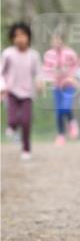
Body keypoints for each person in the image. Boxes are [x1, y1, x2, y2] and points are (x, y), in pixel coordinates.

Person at [1, 22, 42, 160]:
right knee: (12, 119)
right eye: (16, 35)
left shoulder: (33, 55)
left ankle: (26, 149)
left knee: (26, 121)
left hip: (27, 93)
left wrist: (39, 82)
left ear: (28, 37)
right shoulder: (8, 54)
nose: (20, 38)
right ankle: (11, 126)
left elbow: (38, 72)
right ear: (12, 38)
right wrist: (2, 87)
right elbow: (1, 72)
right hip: (11, 91)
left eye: (23, 35)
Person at [42, 32, 79, 145]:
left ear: (62, 41)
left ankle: (72, 122)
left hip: (68, 85)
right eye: (53, 40)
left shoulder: (70, 53)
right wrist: (47, 78)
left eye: (58, 40)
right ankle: (61, 135)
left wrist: (72, 77)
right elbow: (46, 69)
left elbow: (76, 66)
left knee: (66, 107)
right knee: (58, 112)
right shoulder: (48, 54)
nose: (56, 42)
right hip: (56, 86)